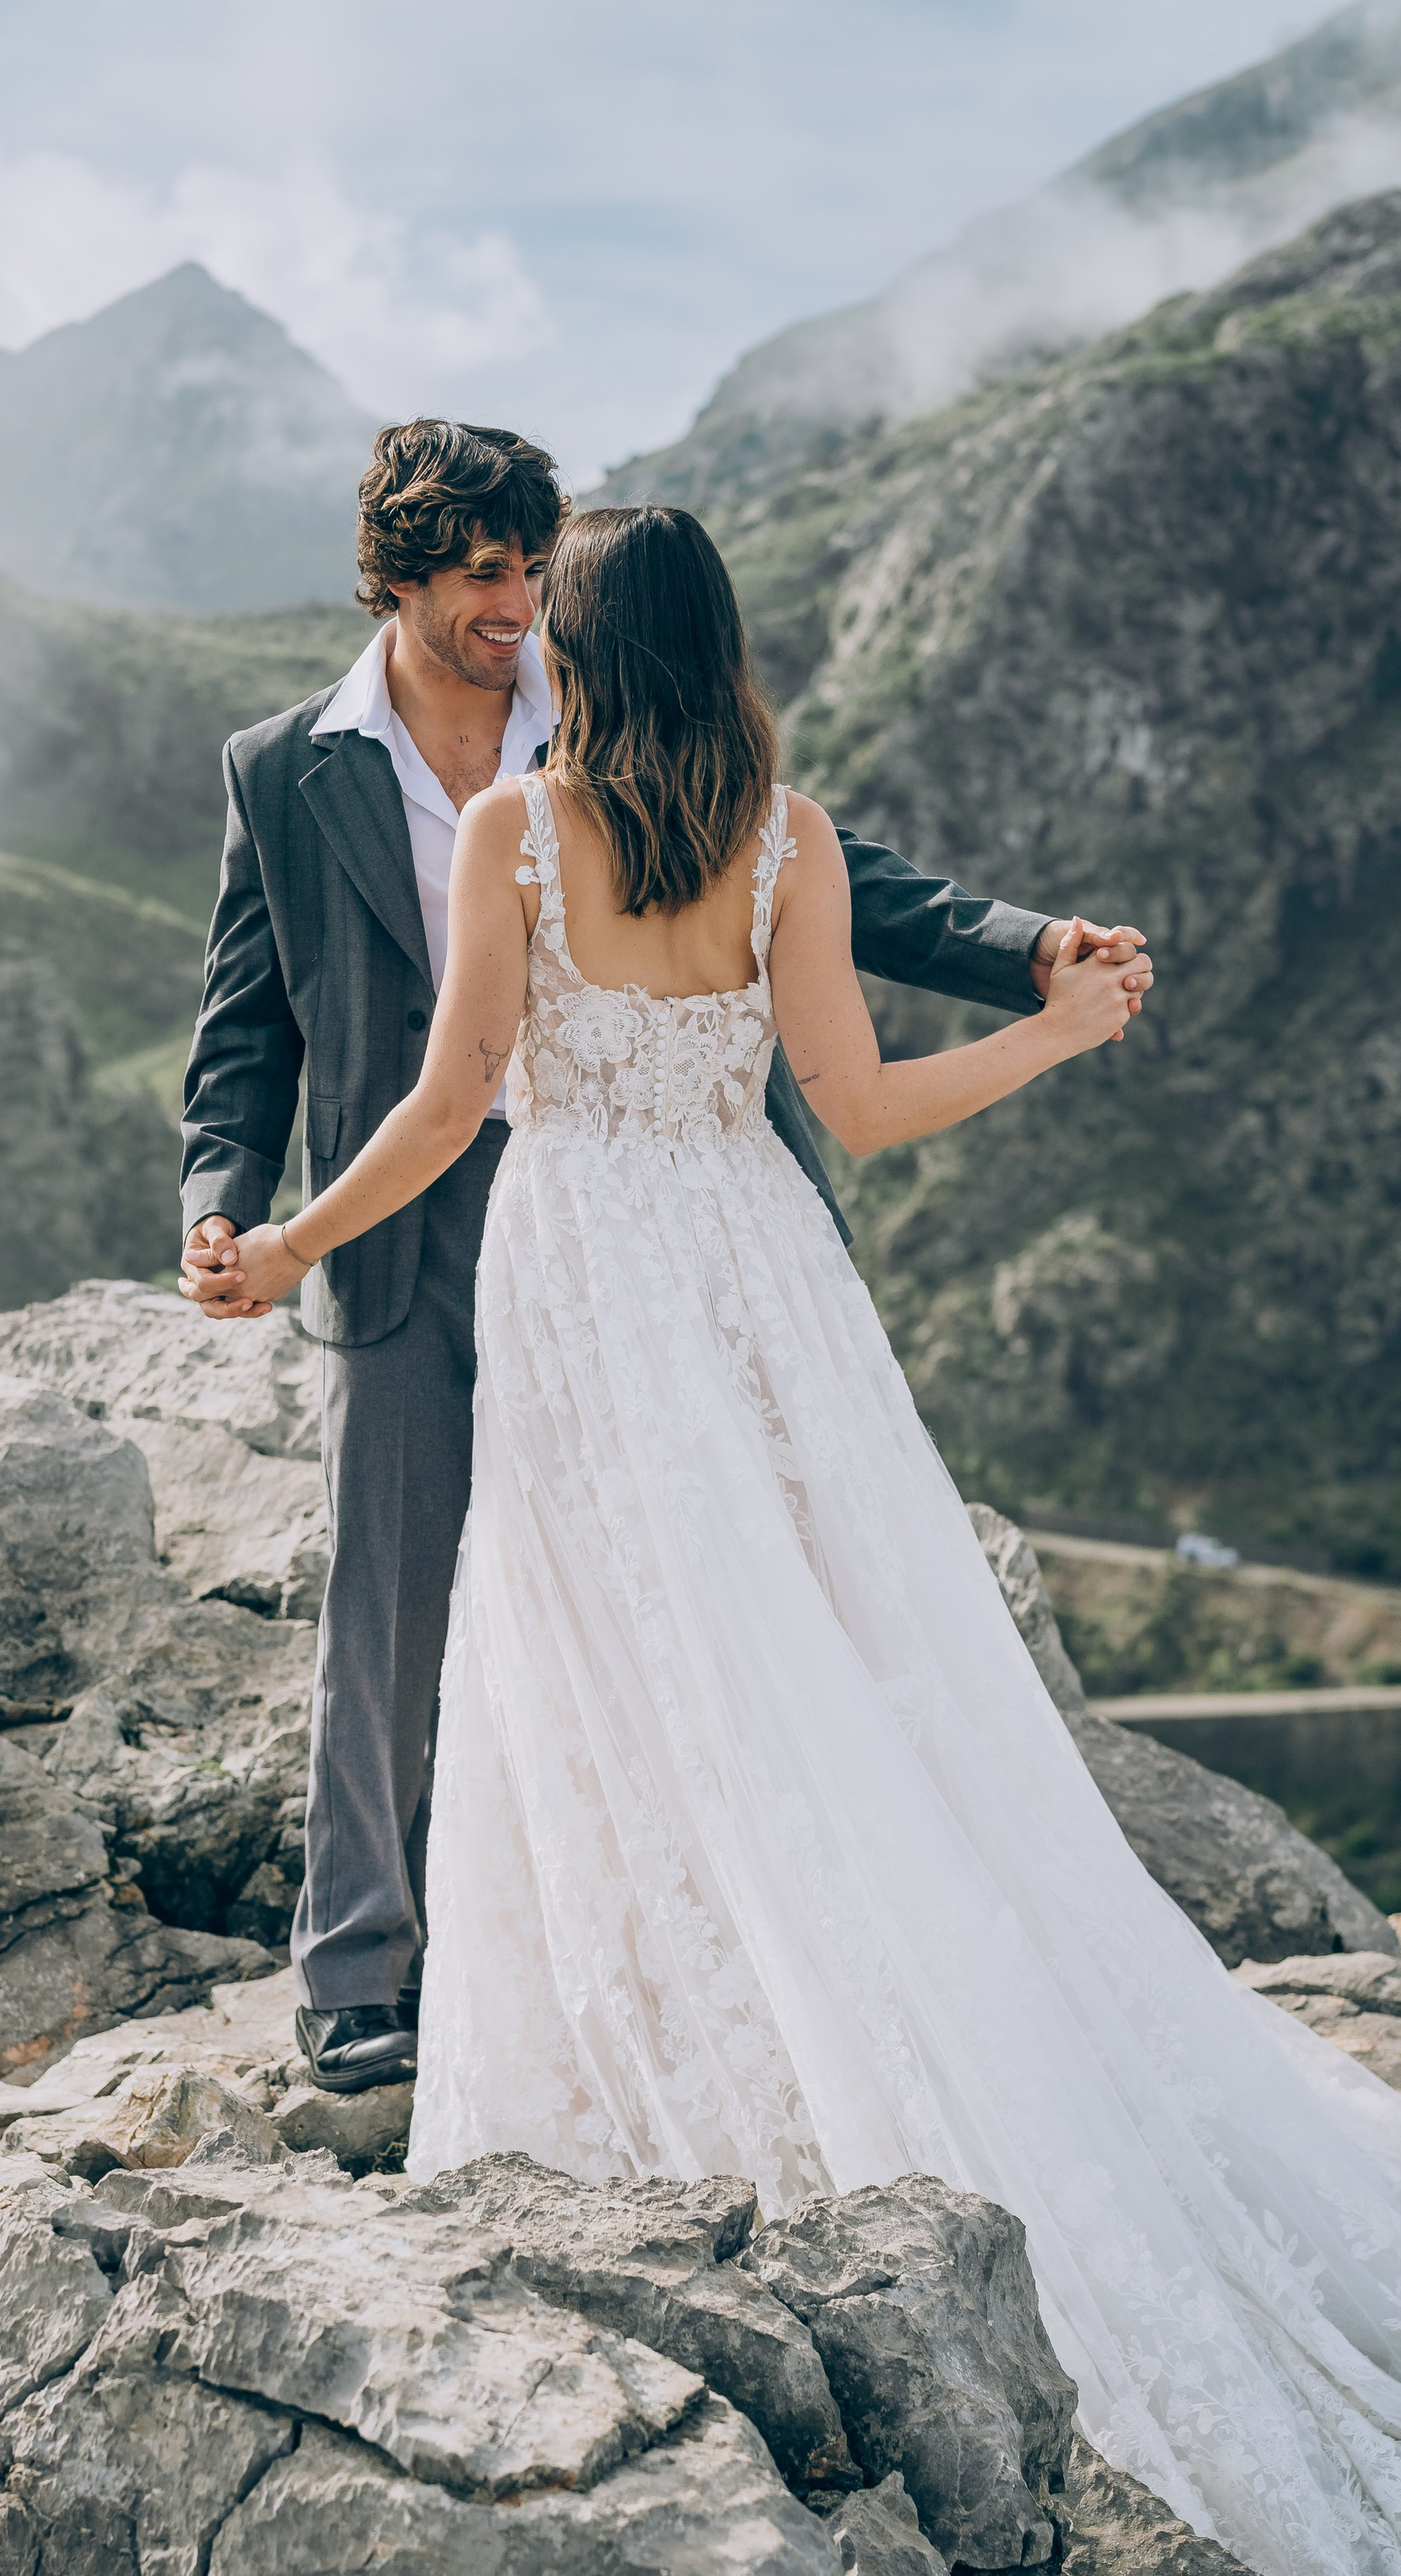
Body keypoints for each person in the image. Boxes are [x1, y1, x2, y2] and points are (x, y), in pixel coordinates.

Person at [195, 501, 1401, 2576]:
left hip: (583, 1282)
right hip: (756, 1286)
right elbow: (855, 1107)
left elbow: (444, 1112)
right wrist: (1059, 1031)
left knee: (606, 1673)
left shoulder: (519, 835)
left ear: (577, 653)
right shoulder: (788, 838)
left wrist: (286, 1251)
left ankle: (666, 2072)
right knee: (811, 1670)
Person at [179, 416, 1149, 2097]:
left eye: (529, 571)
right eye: (482, 574)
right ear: (397, 580)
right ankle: (360, 1976)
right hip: (406, 1225)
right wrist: (225, 1200)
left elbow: (845, 888)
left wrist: (1027, 948)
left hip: (643, 1231)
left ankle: (678, 1964)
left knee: (676, 1589)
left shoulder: (599, 697)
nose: (513, 603)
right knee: (391, 1590)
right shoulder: (283, 768)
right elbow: (245, 1022)